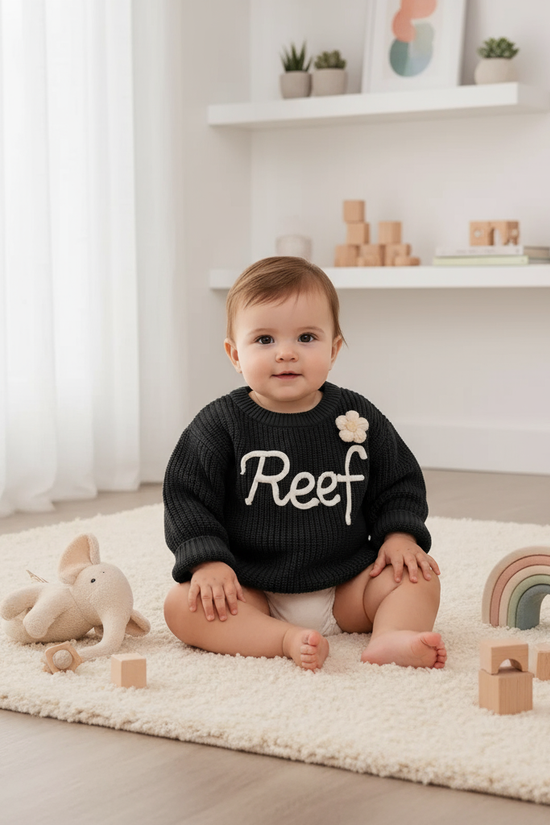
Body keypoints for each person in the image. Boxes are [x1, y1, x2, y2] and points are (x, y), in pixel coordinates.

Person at [163, 257, 446, 672]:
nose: (286, 353)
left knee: (419, 577)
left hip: (347, 584)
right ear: (234, 354)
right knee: (180, 606)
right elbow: (188, 498)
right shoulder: (218, 425)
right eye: (264, 340)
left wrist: (400, 536)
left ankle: (391, 637)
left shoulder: (357, 416)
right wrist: (207, 562)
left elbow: (398, 480)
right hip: (251, 587)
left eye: (307, 337)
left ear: (333, 349)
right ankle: (282, 638)